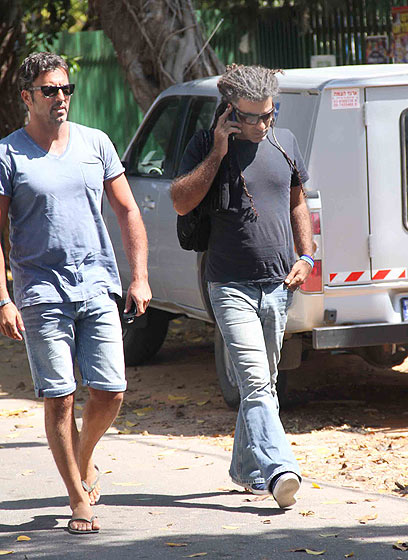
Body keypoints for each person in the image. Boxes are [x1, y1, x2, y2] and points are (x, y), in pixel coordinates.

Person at [0, 52, 151, 534]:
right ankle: (77, 498)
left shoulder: (96, 143)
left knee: (111, 390)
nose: (61, 97)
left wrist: (139, 276)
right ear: (27, 98)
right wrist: (3, 298)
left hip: (98, 284)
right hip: (40, 291)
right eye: (50, 90)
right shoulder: (8, 155)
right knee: (60, 397)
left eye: (66, 89)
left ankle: (83, 456)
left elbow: (127, 210)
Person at [171, 64, 313, 508]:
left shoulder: (285, 142)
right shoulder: (204, 144)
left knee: (264, 383)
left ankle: (245, 469)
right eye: (251, 117)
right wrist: (217, 151)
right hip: (228, 285)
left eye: (269, 114)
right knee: (255, 382)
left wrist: (307, 256)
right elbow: (180, 201)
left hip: (278, 284)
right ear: (230, 110)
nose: (262, 125)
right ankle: (279, 469)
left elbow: (297, 201)